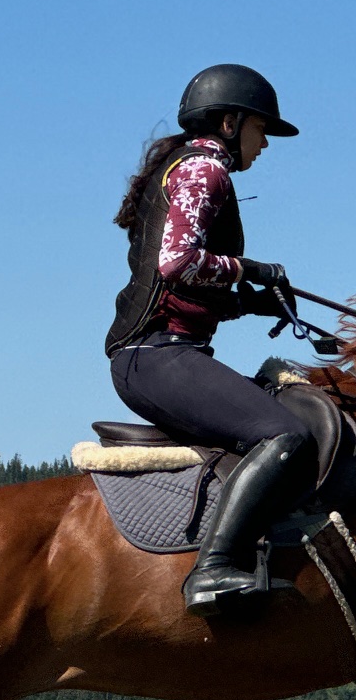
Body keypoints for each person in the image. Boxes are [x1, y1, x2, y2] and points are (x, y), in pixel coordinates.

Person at [107, 63, 317, 615]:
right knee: (285, 438)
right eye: (261, 130)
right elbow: (177, 264)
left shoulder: (189, 168)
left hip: (157, 353)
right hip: (156, 356)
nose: (266, 144)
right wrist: (252, 270)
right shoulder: (205, 172)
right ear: (230, 122)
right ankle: (213, 571)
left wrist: (250, 300)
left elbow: (186, 285)